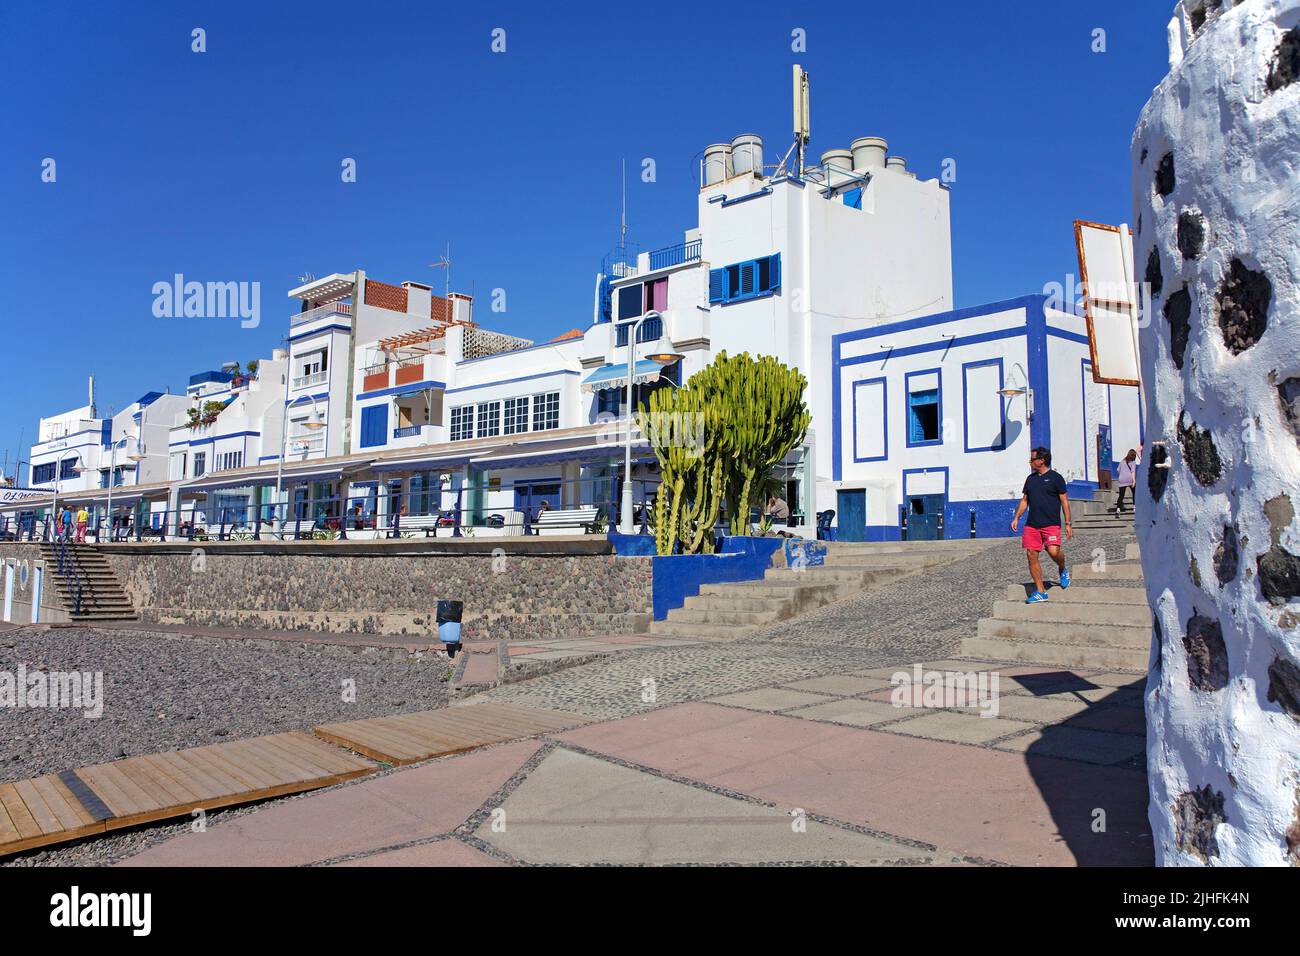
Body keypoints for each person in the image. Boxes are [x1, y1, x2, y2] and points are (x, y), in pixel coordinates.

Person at [1010, 446, 1073, 604]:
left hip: (1051, 524)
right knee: (1031, 554)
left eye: (1032, 459)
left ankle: (1063, 568)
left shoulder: (1056, 478)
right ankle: (1040, 591)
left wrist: (1068, 523)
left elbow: (1064, 502)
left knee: (1053, 552)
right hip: (1032, 525)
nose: (1030, 462)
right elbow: (1025, 500)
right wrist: (1017, 517)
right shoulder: (1030, 479)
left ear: (1042, 460)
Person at [1111, 448, 1138, 515]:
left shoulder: (1122, 461)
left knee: (1121, 495)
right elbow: (1133, 472)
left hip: (1121, 479)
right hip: (1129, 479)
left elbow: (1118, 470)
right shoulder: (1133, 462)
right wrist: (1134, 481)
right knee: (1134, 493)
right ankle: (1134, 507)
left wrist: (1122, 474)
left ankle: (1118, 509)